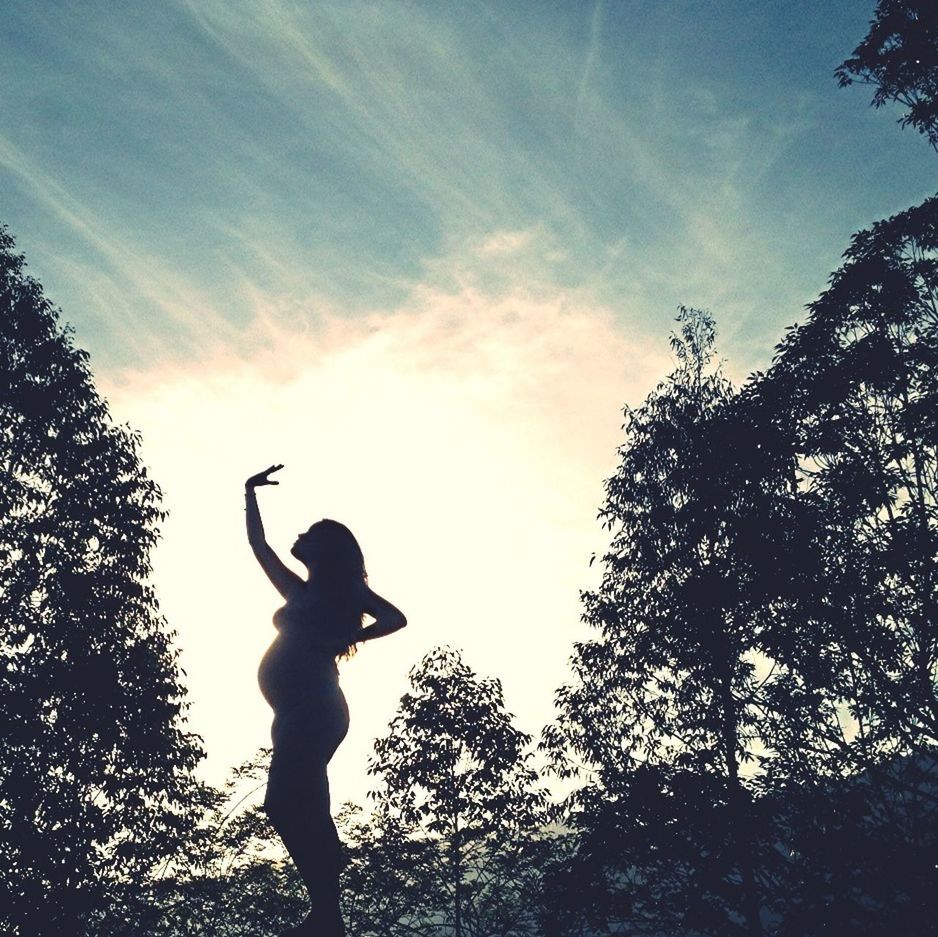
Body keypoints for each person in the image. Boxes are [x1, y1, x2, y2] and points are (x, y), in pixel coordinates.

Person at [244, 464, 407, 937]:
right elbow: (259, 547)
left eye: (310, 533)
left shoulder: (344, 590)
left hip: (317, 706)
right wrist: (249, 494)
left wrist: (342, 637)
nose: (301, 535)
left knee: (287, 803)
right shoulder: (299, 590)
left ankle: (325, 912)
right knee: (298, 805)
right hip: (292, 710)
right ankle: (324, 913)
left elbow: (395, 617)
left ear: (329, 548)